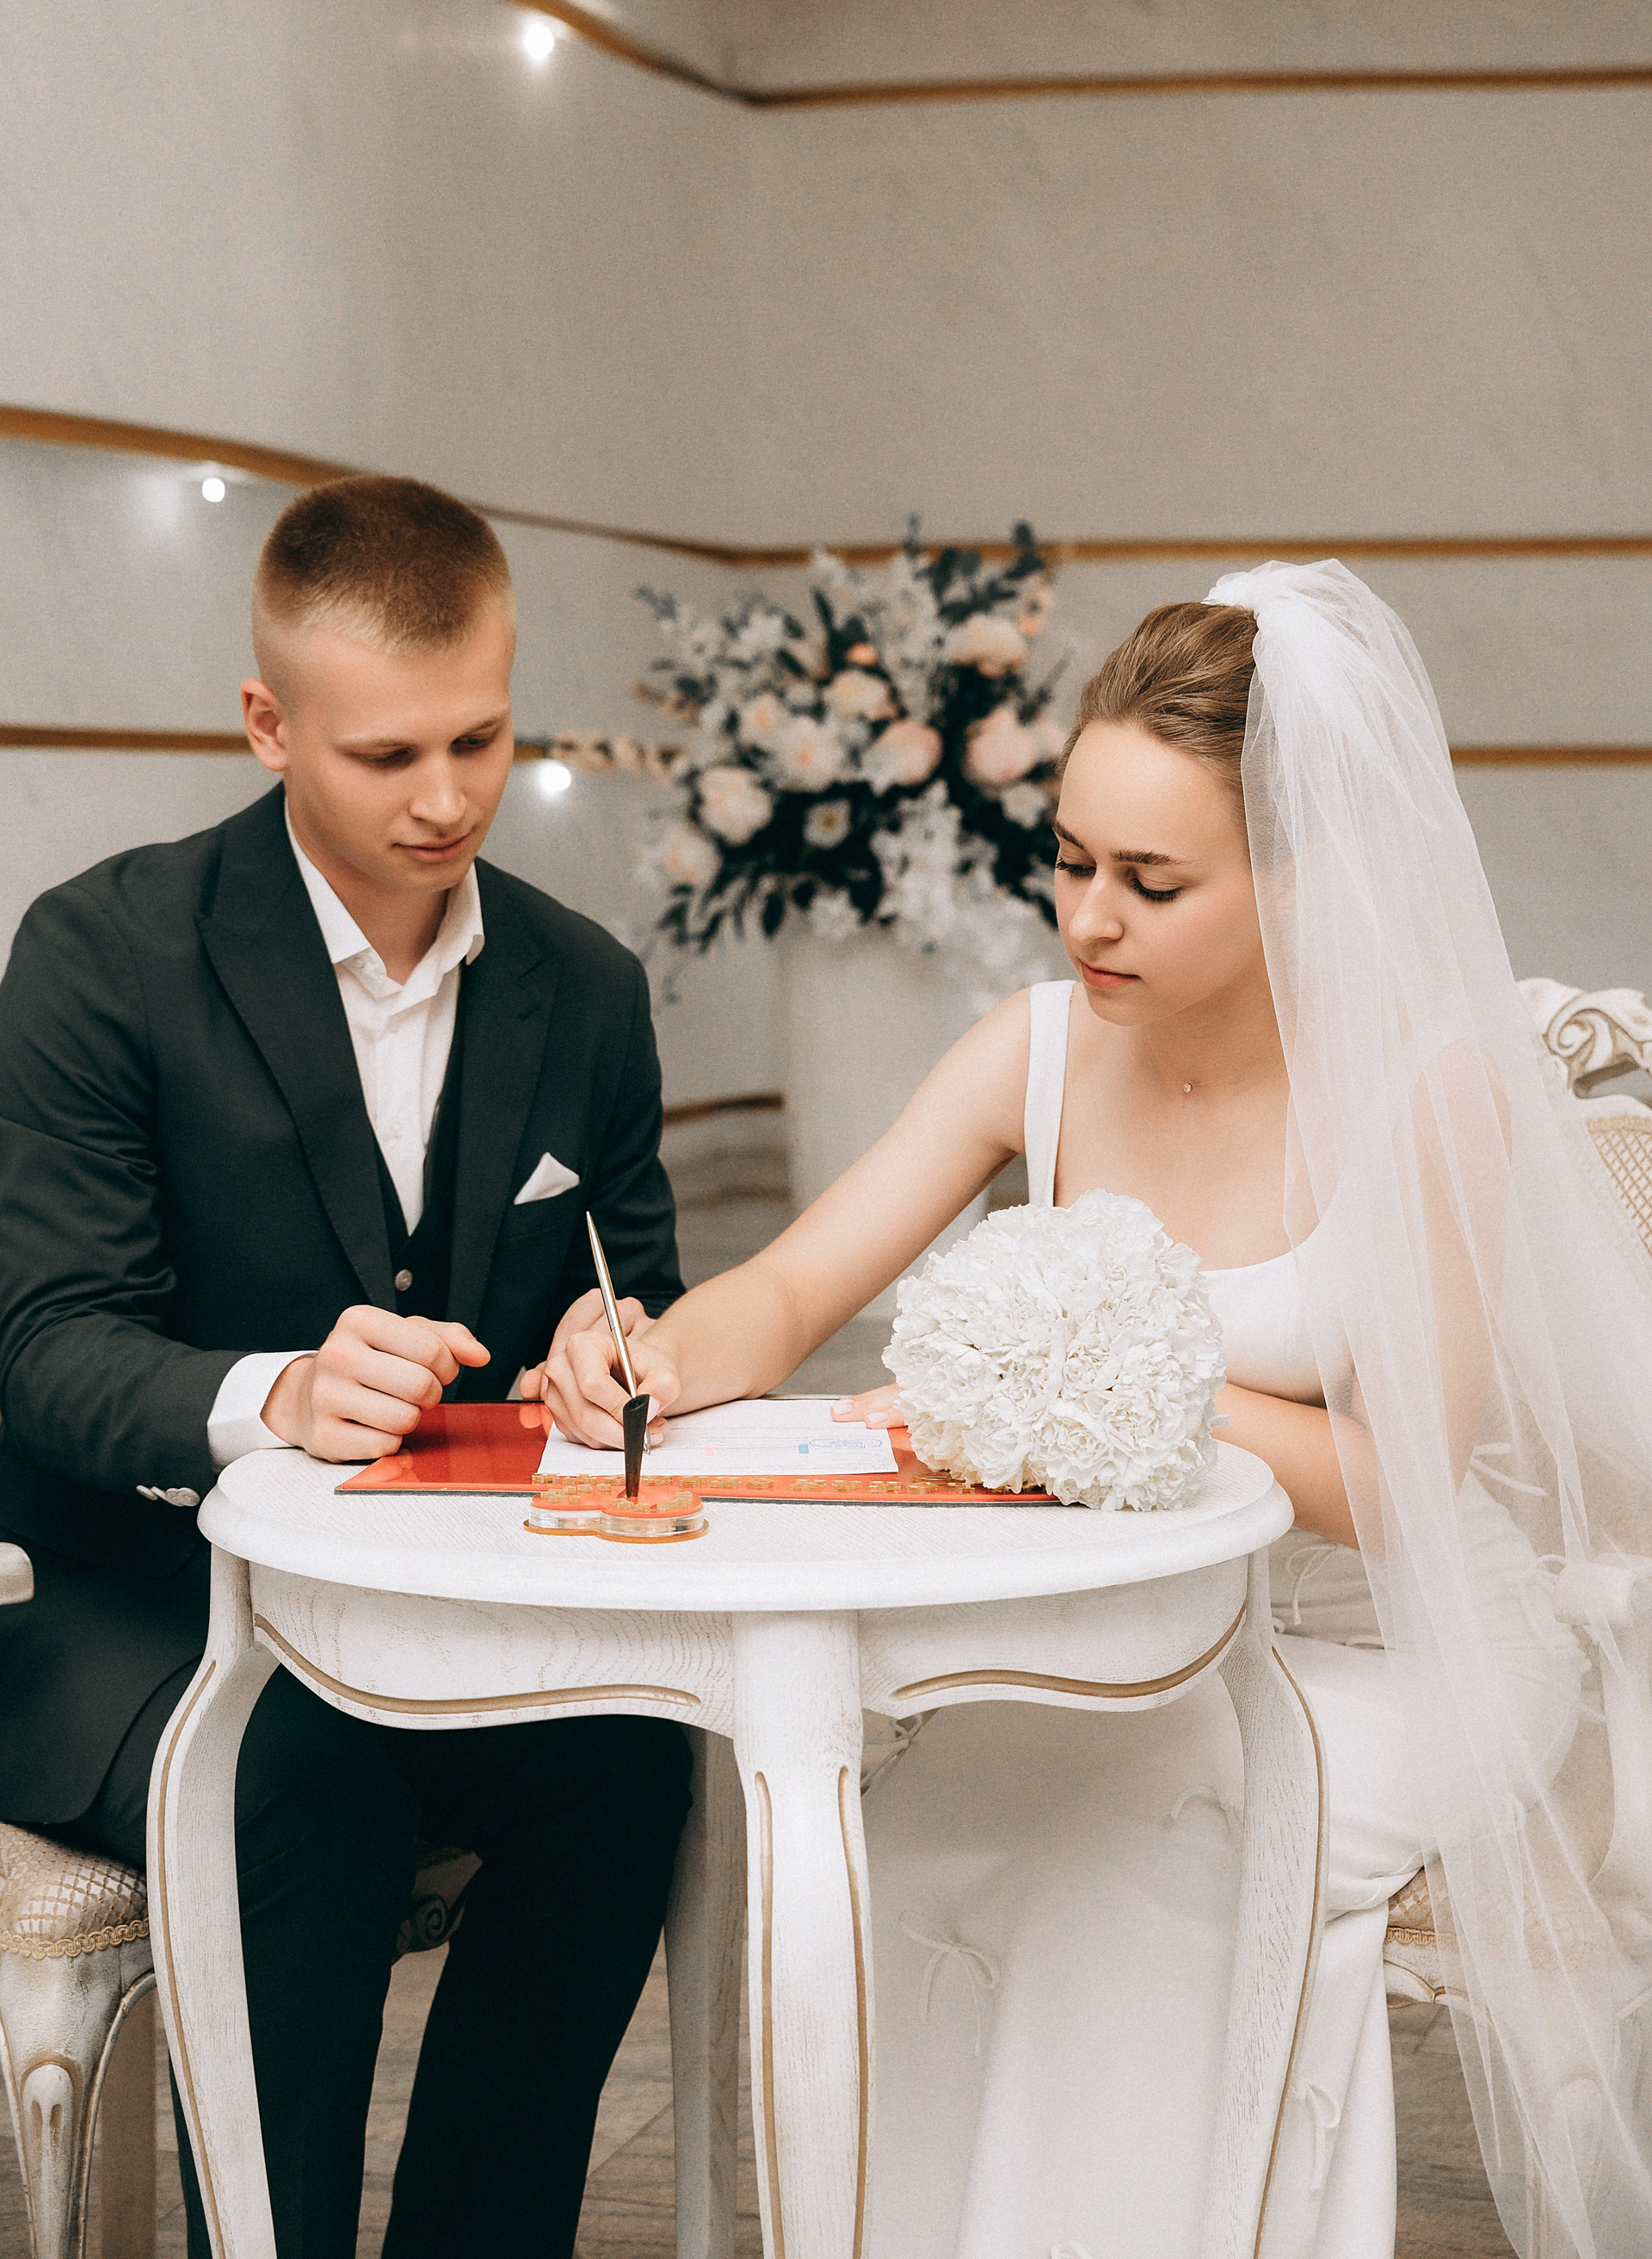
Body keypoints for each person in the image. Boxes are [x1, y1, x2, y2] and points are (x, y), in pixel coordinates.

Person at [540, 562, 1652, 2259]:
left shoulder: (1424, 1089)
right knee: (915, 1840)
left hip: (1397, 1642)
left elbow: (1398, 1486)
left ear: (1295, 878)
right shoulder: (1036, 1049)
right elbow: (795, 1287)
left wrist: (1084, 1395)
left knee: (1118, 1868)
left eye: (1153, 881)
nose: (1090, 920)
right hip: (1128, 1635)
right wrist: (658, 1353)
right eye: (1069, 861)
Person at [0, 476, 691, 2259]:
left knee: (635, 1762)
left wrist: (611, 1353)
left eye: (481, 738)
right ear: (268, 722)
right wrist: (278, 1398)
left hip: (450, 1602)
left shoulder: (586, 986)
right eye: (388, 754)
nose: (447, 797)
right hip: (128, 1602)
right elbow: (44, 1349)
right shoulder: (98, 953)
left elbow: (643, 1294)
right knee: (296, 1773)